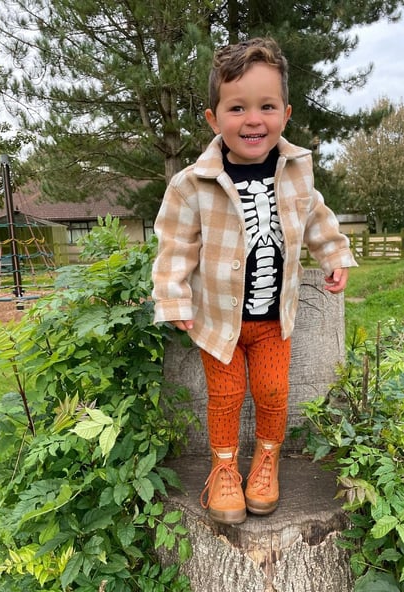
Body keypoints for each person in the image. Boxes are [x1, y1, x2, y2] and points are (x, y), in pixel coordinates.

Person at [152, 37, 357, 525]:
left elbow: (316, 217)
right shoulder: (192, 184)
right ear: (213, 118)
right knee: (224, 397)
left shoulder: (296, 171)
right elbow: (174, 246)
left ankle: (266, 460)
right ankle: (224, 468)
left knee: (271, 392)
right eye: (237, 107)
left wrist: (333, 252)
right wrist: (174, 297)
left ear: (285, 114)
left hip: (273, 319)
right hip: (218, 322)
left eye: (266, 106)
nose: (253, 120)